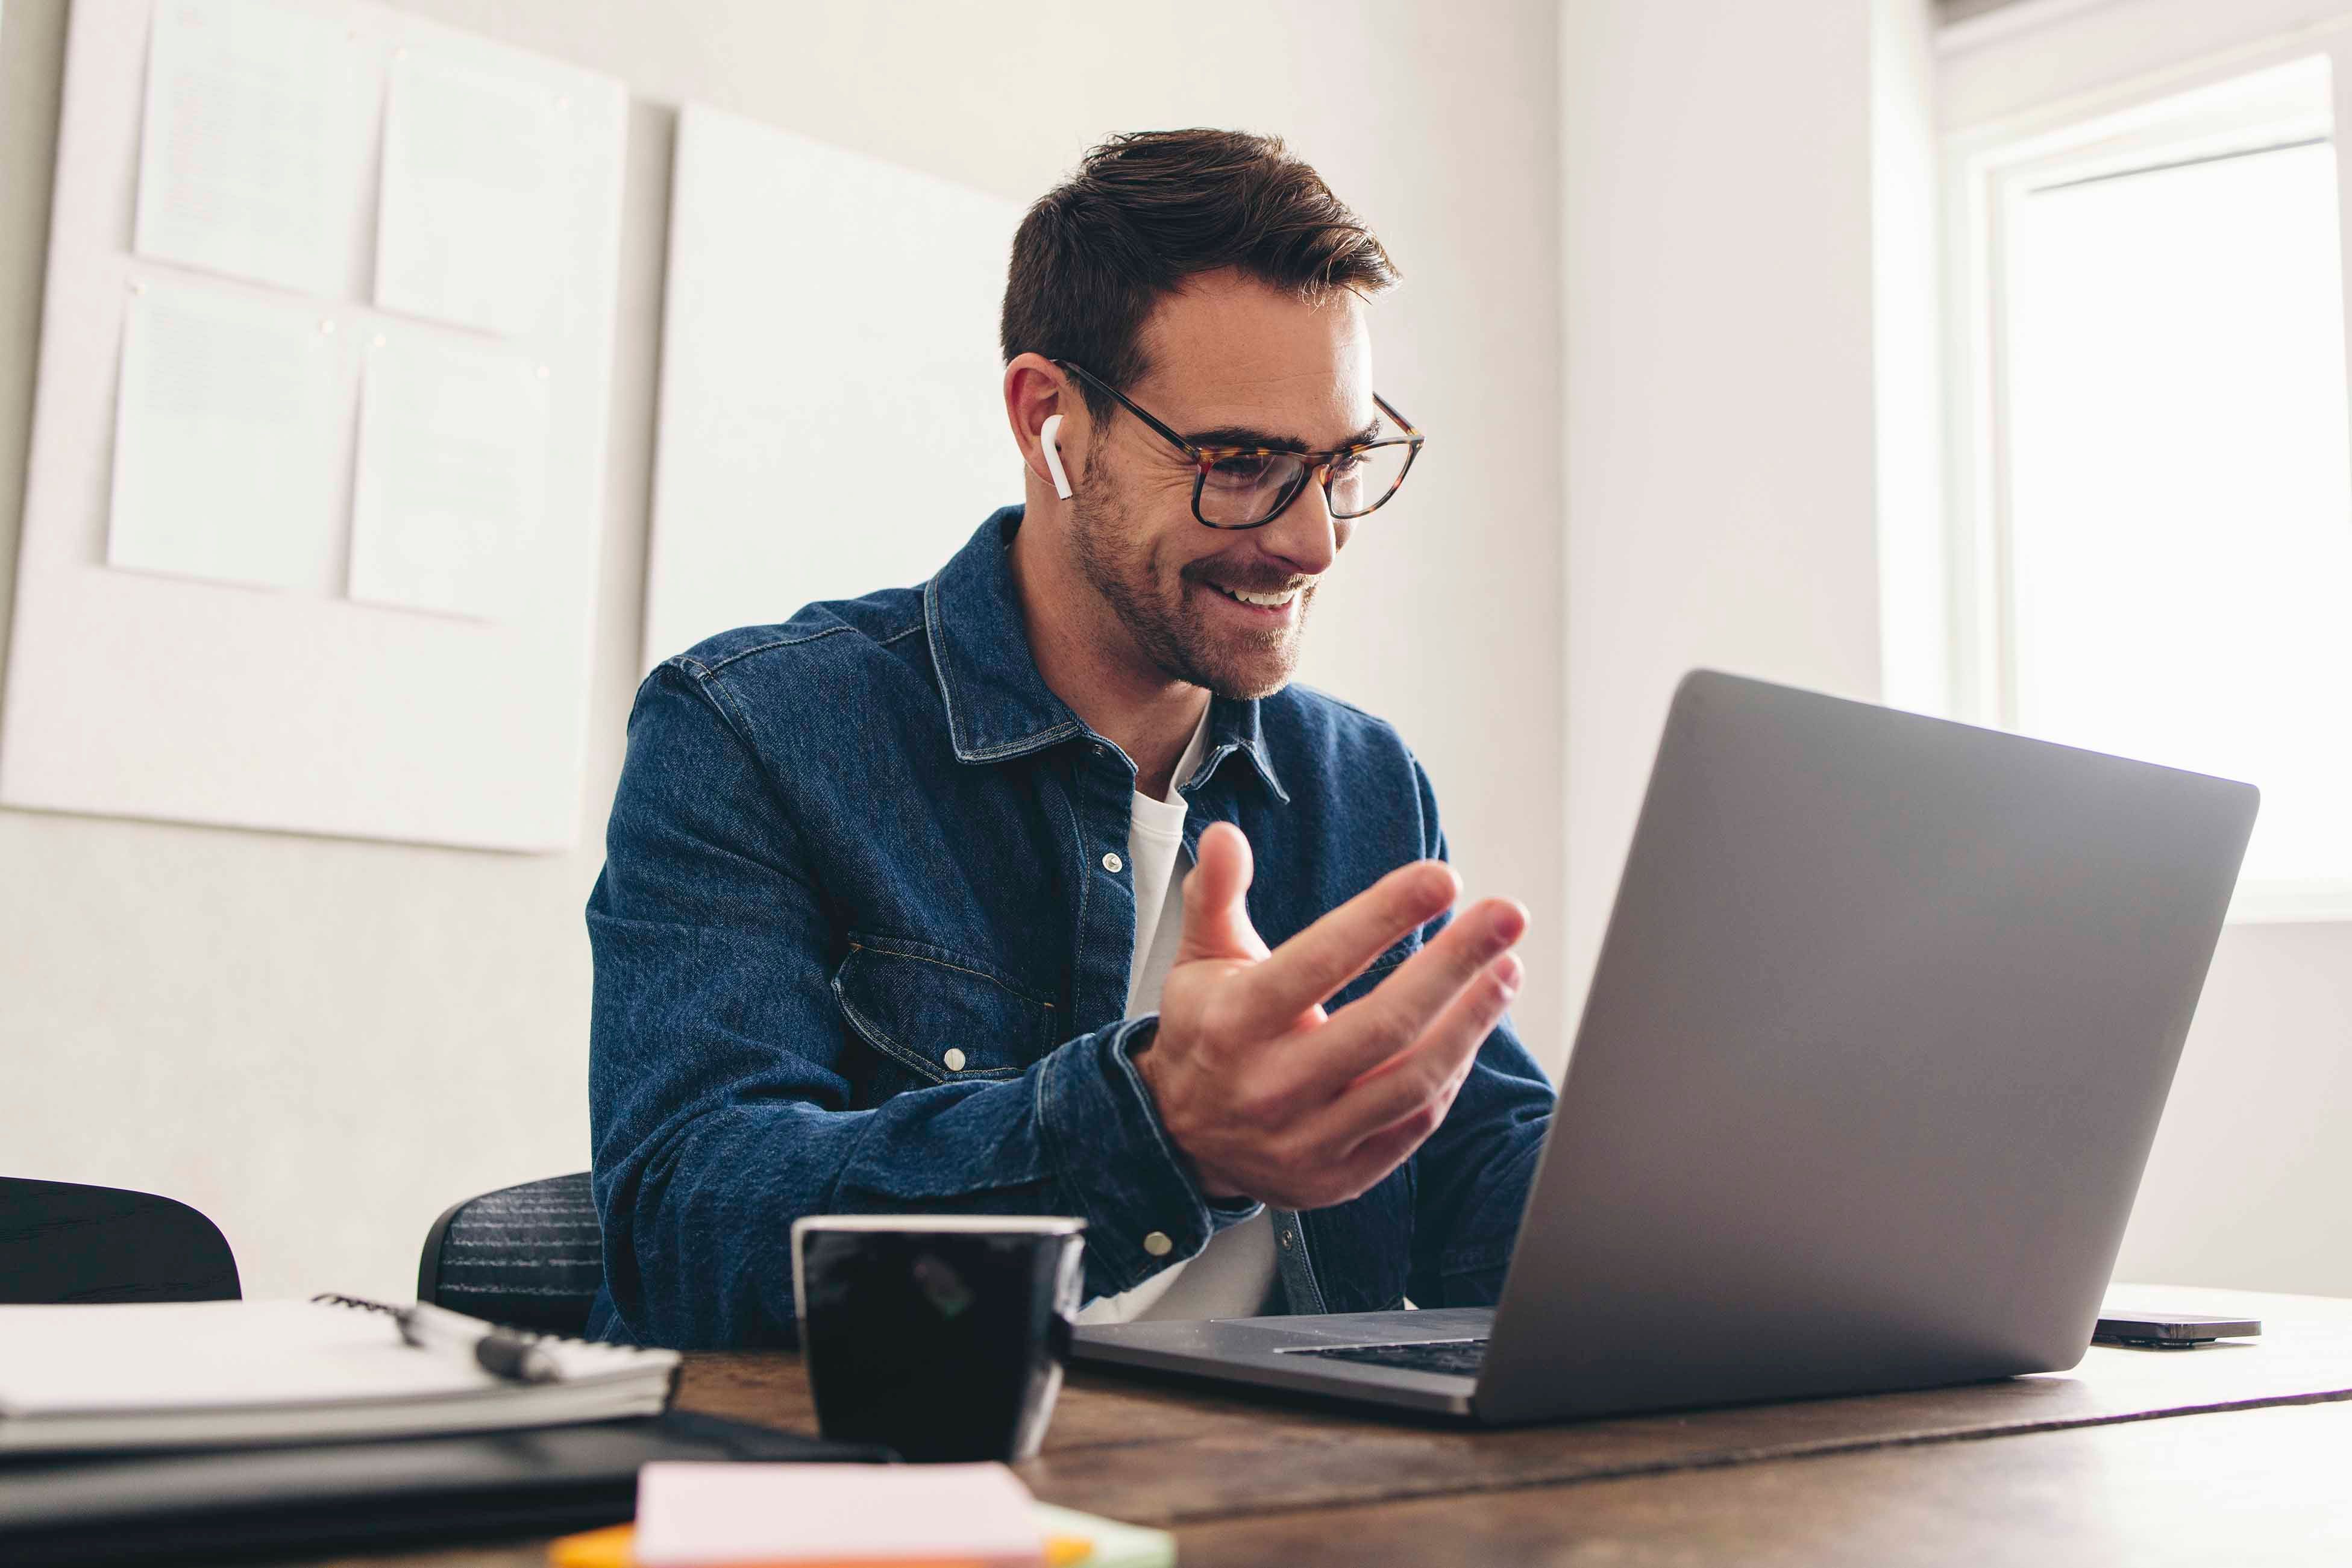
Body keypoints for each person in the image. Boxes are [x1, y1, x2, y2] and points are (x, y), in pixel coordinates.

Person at [586, 129, 1553, 1348]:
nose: (1312, 542)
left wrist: (1776, 1183)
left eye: (1340, 463)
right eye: (1241, 462)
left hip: (1297, 1508)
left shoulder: (1357, 783)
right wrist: (1154, 1128)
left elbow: (1484, 1180)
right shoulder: (754, 731)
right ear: (1050, 419)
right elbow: (687, 1225)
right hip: (921, 1498)